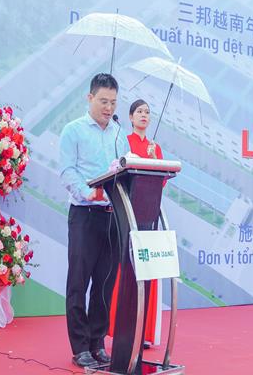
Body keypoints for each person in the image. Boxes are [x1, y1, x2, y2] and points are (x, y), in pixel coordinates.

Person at [59, 73, 129, 368]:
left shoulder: (119, 134)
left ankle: (97, 342)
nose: (108, 108)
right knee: (79, 281)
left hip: (112, 217)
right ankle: (79, 346)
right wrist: (87, 193)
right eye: (103, 101)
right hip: (85, 214)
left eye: (113, 102)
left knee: (105, 282)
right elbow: (67, 171)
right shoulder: (73, 130)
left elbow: (126, 169)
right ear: (90, 98)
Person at [108, 99, 163, 347]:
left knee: (146, 270)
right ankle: (120, 329)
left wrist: (154, 160)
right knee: (125, 270)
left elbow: (161, 181)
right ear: (130, 117)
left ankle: (143, 333)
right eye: (139, 111)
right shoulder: (124, 142)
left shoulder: (155, 147)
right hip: (127, 213)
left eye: (147, 112)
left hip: (148, 214)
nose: (144, 115)